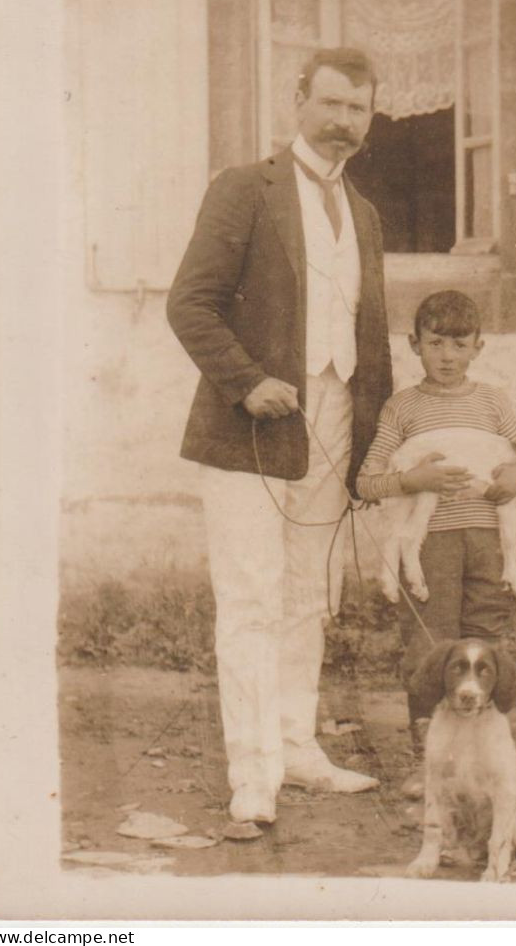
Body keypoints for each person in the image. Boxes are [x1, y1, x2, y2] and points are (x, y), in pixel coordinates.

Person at [167, 48, 393, 826]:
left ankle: (296, 746)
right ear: (297, 101)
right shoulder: (245, 189)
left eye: (357, 109)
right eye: (329, 104)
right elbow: (190, 303)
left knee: (307, 596)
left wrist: (373, 447)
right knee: (252, 598)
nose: (342, 122)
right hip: (248, 432)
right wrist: (247, 380)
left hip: (332, 423)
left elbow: (373, 333)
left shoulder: (362, 212)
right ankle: (253, 772)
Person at [356, 291, 516, 799]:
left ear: (479, 346)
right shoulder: (403, 408)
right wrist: (414, 478)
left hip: (488, 544)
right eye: (435, 343)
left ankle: (486, 761)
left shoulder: (494, 401)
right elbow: (368, 482)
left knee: (486, 647)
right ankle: (428, 762)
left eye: (459, 344)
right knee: (431, 652)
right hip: (430, 545)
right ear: (415, 345)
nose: (447, 356)